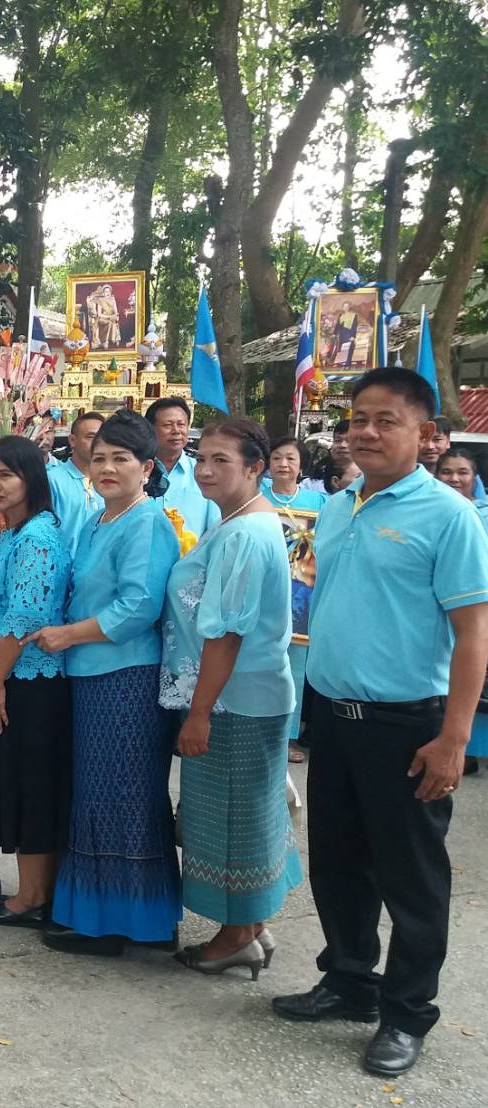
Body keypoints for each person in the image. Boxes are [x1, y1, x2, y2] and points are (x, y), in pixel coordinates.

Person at [273, 368, 488, 1078]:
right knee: (337, 863)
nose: (363, 431)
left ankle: (405, 1014)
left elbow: (471, 634)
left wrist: (452, 738)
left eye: (385, 420)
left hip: (408, 726)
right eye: (357, 418)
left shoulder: (447, 516)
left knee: (410, 878)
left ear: (427, 435)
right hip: (333, 719)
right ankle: (348, 981)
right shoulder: (336, 508)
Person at [25, 409, 182, 955]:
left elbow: (139, 606)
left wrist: (68, 635)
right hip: (93, 676)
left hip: (126, 678)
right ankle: (109, 915)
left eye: (122, 458)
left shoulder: (147, 521)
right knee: (97, 793)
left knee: (124, 796)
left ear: (146, 465)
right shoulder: (100, 519)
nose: (108, 467)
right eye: (100, 458)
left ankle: (122, 924)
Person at [160, 418, 303, 979]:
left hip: (234, 701)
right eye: (203, 458)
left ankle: (236, 935)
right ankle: (253, 925)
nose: (206, 469)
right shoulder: (241, 521)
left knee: (229, 818)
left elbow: (225, 633)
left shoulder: (245, 533)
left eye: (222, 460)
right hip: (244, 694)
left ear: (255, 468)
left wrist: (199, 714)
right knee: (246, 812)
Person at [0, 435, 72, 929]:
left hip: (28, 682)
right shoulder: (15, 531)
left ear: (31, 478)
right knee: (24, 782)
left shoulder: (37, 537)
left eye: (4, 475)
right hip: (17, 677)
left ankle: (32, 895)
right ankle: (35, 890)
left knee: (32, 786)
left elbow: (23, 616)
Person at [260, 435, 327, 758]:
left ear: (302, 467)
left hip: (303, 594)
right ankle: (259, 731)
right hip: (262, 590)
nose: (283, 464)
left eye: (290, 459)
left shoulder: (320, 503)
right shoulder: (255, 496)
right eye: (277, 458)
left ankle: (286, 739)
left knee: (294, 668)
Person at [436, 449, 488, 775]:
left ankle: (466, 747)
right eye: (447, 472)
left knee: (475, 677)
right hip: (442, 611)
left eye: (462, 472)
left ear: (475, 477)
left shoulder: (482, 513)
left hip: (476, 603)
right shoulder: (432, 512)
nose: (454, 478)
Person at [146, 397, 219, 537]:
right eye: (168, 425)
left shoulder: (205, 474)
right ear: (151, 429)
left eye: (181, 424)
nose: (176, 431)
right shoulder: (138, 472)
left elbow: (215, 528)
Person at [47, 411, 104, 549]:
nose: (98, 443)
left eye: (103, 438)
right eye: (91, 437)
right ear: (72, 440)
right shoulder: (52, 479)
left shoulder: (108, 481)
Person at [304, 419, 351, 493]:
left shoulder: (368, 480)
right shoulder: (311, 484)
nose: (343, 445)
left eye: (349, 441)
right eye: (338, 440)